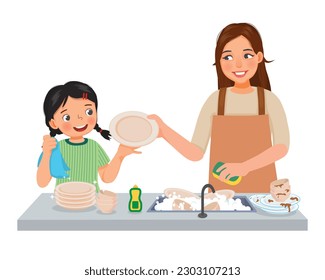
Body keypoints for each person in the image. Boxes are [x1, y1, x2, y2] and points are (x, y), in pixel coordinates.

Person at [149, 23, 289, 193]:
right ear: (219, 61)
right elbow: (196, 152)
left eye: (247, 55)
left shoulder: (269, 100)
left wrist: (244, 167)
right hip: (221, 196)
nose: (238, 64)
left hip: (262, 194)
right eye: (228, 57)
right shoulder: (216, 100)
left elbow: (281, 147)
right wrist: (163, 130)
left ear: (259, 57)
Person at [37, 81, 140, 191]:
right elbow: (42, 182)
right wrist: (47, 153)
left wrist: (120, 155)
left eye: (88, 111)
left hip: (92, 201)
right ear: (53, 123)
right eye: (67, 117)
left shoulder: (94, 147)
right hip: (64, 202)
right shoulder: (56, 148)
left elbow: (106, 177)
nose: (80, 119)